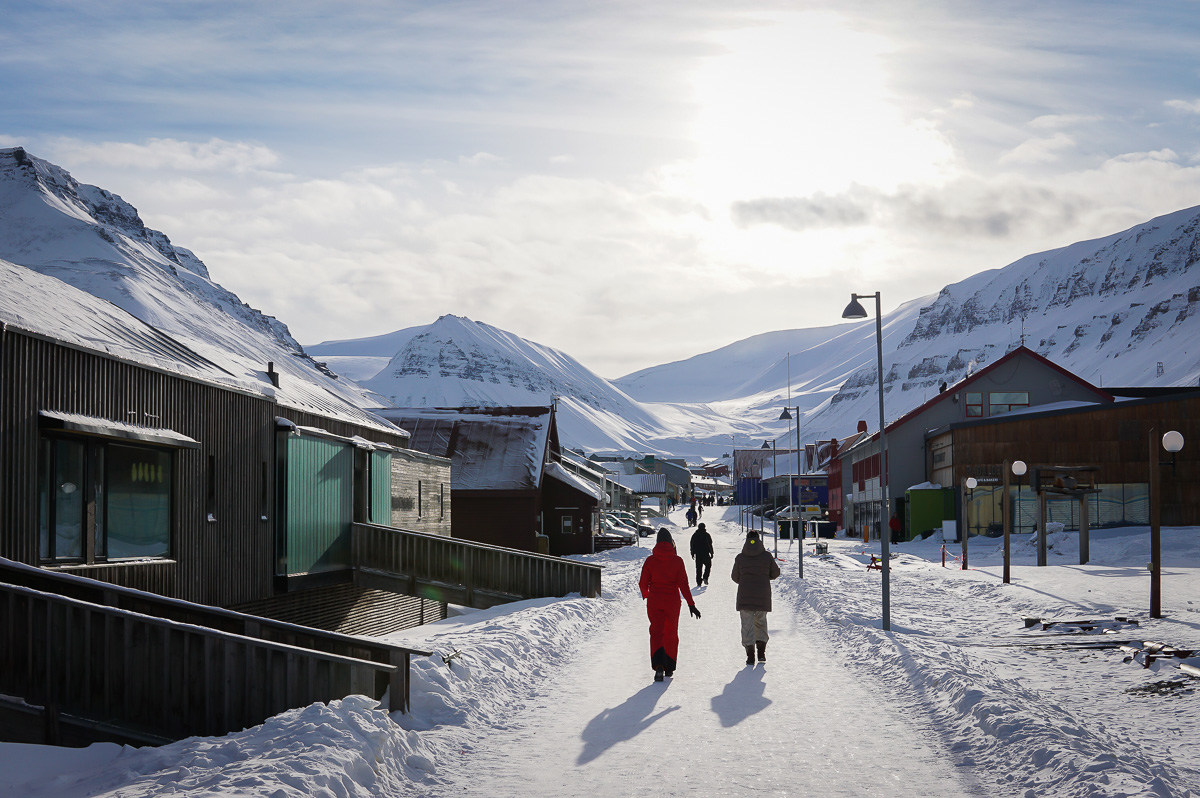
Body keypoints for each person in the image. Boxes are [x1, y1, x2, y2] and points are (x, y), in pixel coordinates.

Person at [639, 528, 701, 681]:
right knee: (671, 633)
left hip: (654, 601)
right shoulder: (677, 561)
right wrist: (691, 604)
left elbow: (642, 583)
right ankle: (670, 667)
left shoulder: (650, 561)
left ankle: (659, 665)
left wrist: (647, 595)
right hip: (672, 603)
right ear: (671, 542)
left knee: (656, 632)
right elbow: (684, 585)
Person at [731, 530, 780, 665]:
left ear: (746, 540)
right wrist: (764, 577)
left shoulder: (740, 557)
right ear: (759, 540)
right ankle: (762, 653)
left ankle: (750, 655)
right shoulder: (767, 556)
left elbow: (734, 577)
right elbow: (776, 573)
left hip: (745, 596)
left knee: (747, 625)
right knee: (761, 622)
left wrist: (745, 580)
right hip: (762, 595)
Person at [690, 522, 714, 586]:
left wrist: (692, 553)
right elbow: (710, 544)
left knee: (698, 568)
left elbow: (692, 545)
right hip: (705, 554)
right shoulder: (707, 535)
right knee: (708, 565)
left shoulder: (695, 535)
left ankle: (698, 581)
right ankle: (705, 577)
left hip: (698, 554)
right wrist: (711, 552)